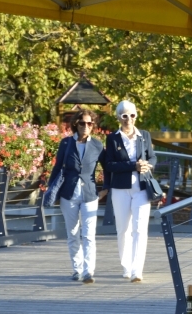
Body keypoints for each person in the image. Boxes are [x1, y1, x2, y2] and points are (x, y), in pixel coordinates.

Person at [48, 109, 106, 284]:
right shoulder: (66, 143)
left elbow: (108, 168)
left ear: (93, 126)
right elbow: (57, 168)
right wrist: (52, 192)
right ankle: (77, 269)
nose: (86, 126)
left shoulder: (97, 145)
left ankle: (89, 271)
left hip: (89, 194)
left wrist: (106, 189)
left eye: (89, 123)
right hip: (68, 193)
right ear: (76, 124)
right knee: (73, 233)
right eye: (82, 123)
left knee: (89, 235)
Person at [103, 100, 156, 283]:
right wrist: (133, 165)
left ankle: (137, 270)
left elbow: (153, 156)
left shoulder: (145, 136)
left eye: (131, 115)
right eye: (124, 115)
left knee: (140, 229)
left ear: (136, 115)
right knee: (123, 229)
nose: (128, 119)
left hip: (141, 187)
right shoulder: (112, 139)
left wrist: (148, 165)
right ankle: (126, 266)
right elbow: (109, 164)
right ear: (118, 117)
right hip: (120, 188)